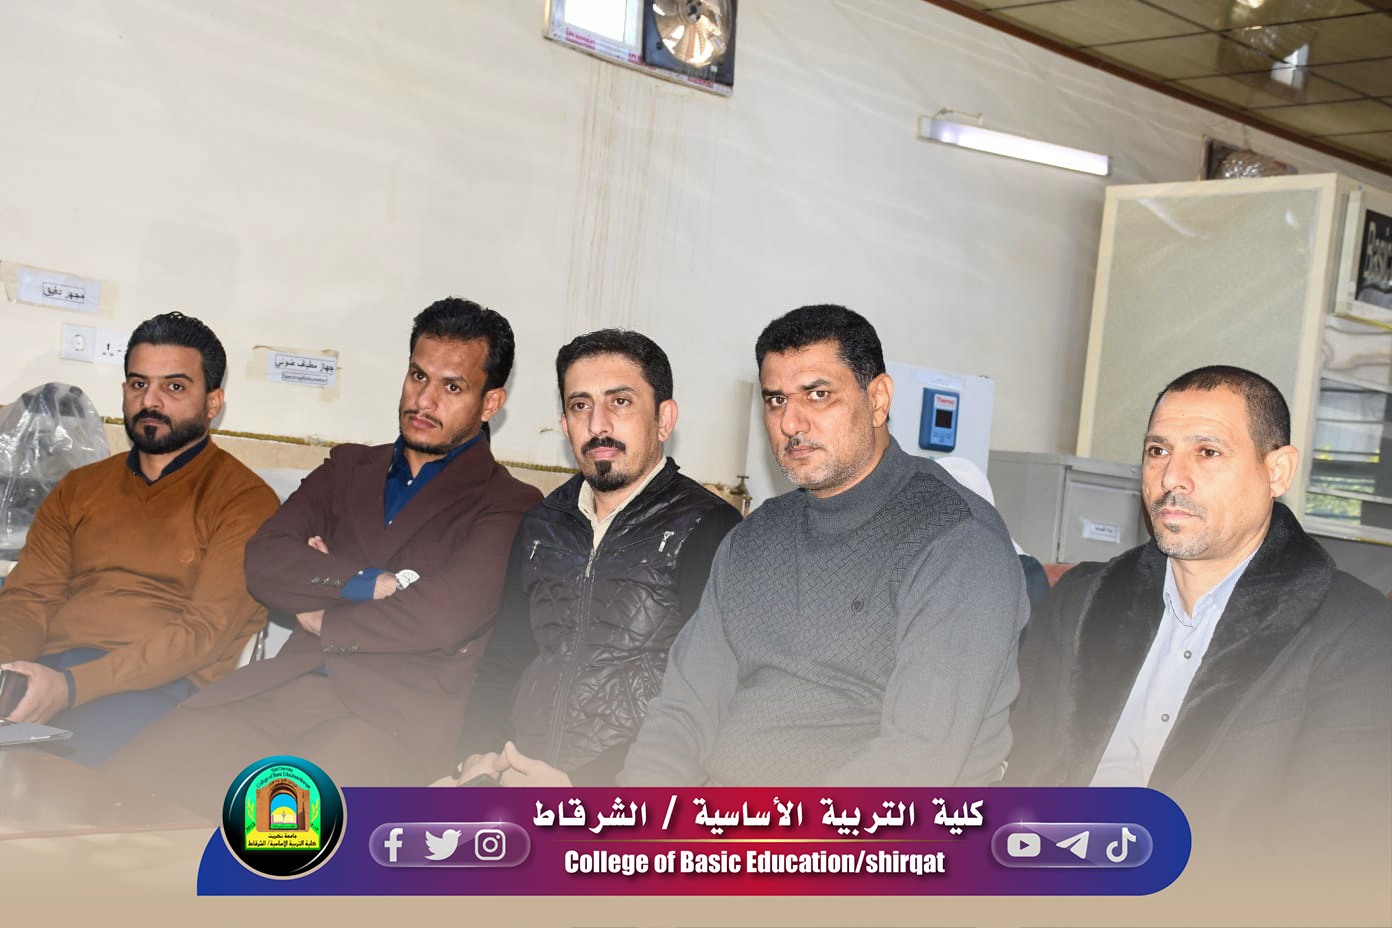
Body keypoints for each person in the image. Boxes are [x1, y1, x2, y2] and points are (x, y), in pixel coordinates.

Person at [103, 298, 540, 815]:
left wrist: (323, 616)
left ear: (491, 403)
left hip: (388, 719)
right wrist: (371, 583)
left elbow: (442, 618)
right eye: (418, 376)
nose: (424, 400)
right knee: (115, 797)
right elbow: (264, 561)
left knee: (270, 835)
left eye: (452, 387)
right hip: (280, 687)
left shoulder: (509, 503)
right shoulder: (349, 468)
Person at [619, 304, 1029, 787]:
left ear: (878, 400)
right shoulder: (755, 538)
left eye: (818, 395)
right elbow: (683, 714)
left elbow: (915, 763)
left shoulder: (957, 540)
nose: (791, 423)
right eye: (776, 400)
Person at [1005, 366, 1392, 866]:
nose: (1171, 477)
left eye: (1207, 452)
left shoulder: (1356, 631)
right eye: (1157, 450)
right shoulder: (1082, 600)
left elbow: (1325, 853)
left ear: (1278, 471)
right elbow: (1023, 777)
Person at [439, 330, 741, 789]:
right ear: (565, 424)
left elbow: (707, 696)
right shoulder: (541, 524)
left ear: (663, 419)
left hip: (628, 797)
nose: (598, 424)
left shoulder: (709, 529)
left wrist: (582, 786)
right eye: (581, 405)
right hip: (516, 778)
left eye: (620, 402)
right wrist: (478, 753)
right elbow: (504, 660)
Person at [0, 312, 278, 766]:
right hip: (51, 671)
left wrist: (72, 688)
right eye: (138, 384)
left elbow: (203, 633)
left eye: (174, 387)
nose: (150, 401)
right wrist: (7, 672)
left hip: (161, 689)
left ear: (213, 402)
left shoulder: (244, 500)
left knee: (56, 778)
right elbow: (28, 599)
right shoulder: (80, 488)